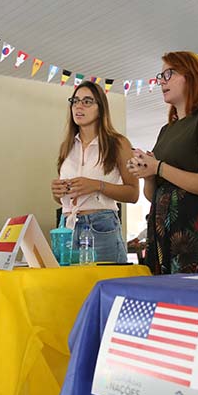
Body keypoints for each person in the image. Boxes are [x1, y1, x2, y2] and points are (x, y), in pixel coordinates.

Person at [128, 51, 198, 275]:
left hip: (195, 230)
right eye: (161, 75)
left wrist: (159, 167)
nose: (161, 81)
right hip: (164, 228)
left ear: (192, 76)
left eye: (169, 73)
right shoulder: (167, 130)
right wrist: (148, 173)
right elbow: (152, 194)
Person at [51, 80, 139, 263]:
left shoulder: (119, 143)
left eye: (87, 101)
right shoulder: (66, 147)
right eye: (75, 101)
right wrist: (57, 193)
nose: (78, 106)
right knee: (71, 289)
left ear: (101, 108)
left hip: (101, 225)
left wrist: (97, 186)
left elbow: (133, 193)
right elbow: (63, 198)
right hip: (68, 228)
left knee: (106, 286)